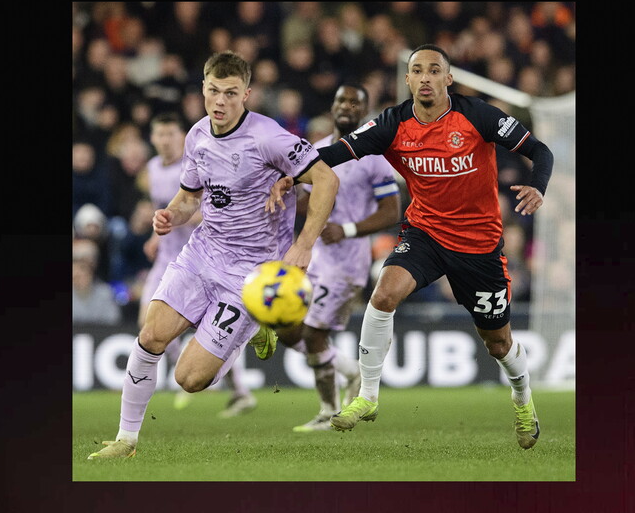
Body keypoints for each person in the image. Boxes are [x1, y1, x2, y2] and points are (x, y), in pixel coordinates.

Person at [267, 44, 553, 449]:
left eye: (434, 70)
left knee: (499, 344)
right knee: (383, 294)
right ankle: (367, 396)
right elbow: (335, 153)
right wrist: (292, 176)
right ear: (407, 79)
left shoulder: (478, 116)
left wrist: (538, 187)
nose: (425, 77)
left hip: (479, 245)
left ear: (448, 79)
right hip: (426, 233)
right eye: (417, 70)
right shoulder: (392, 123)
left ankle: (522, 397)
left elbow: (540, 151)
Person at [88, 50, 340, 460]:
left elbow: (326, 179)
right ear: (202, 90)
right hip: (203, 252)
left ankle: (258, 319)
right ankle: (126, 440)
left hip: (250, 273)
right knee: (150, 335)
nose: (219, 101)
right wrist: (170, 214)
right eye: (212, 91)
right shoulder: (197, 135)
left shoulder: (268, 136)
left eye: (230, 93)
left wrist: (304, 243)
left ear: (247, 94)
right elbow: (190, 197)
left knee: (189, 378)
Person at [275, 83, 402, 432]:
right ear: (332, 107)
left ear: (365, 111)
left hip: (347, 264)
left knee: (315, 335)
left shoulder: (375, 157)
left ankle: (327, 411)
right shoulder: (315, 150)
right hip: (313, 257)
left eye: (355, 102)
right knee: (286, 329)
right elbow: (306, 200)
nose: (347, 106)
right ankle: (351, 373)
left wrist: (345, 229)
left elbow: (392, 210)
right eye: (341, 100)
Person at [138, 113, 256, 417]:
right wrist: (157, 234)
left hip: (203, 259)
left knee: (208, 331)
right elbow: (162, 209)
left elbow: (211, 208)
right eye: (159, 134)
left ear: (181, 136)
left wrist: (183, 217)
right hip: (167, 258)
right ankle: (188, 377)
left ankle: (235, 388)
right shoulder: (151, 169)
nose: (165, 140)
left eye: (170, 134)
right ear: (152, 138)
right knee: (147, 324)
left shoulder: (195, 162)